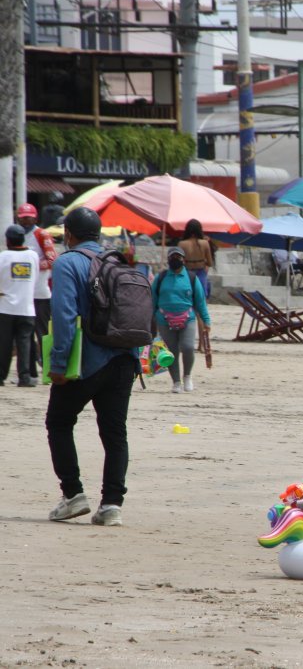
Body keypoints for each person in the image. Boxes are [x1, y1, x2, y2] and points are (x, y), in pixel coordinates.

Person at [45, 207, 141, 527]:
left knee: (59, 422)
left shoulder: (67, 263)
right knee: (115, 433)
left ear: (69, 235)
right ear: (98, 234)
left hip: (87, 360)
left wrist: (58, 363)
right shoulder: (119, 261)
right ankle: (112, 505)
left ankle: (73, 495)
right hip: (125, 358)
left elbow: (64, 317)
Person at [151, 247, 211, 393]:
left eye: (178, 257)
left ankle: (187, 376)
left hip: (187, 318)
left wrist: (206, 320)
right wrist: (148, 320)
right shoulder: (161, 278)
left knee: (188, 347)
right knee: (171, 353)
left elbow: (200, 301)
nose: (175, 259)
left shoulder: (191, 278)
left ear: (183, 260)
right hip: (164, 320)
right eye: (172, 257)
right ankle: (176, 382)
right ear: (168, 259)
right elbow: (152, 301)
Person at [17, 202, 57, 377]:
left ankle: (48, 365)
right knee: (25, 334)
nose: (26, 221)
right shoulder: (16, 235)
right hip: (23, 293)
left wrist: (29, 265)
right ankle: (31, 370)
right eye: (23, 218)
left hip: (40, 292)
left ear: (35, 217)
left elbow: (52, 260)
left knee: (43, 332)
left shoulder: (41, 234)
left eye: (29, 218)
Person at [0, 224, 40, 387]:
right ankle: (24, 377)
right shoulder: (33, 256)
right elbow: (36, 278)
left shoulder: (3, 256)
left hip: (6, 307)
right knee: (25, 343)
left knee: (4, 344)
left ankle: (1, 375)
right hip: (27, 307)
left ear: (8, 240)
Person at [177, 219, 215, 299]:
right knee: (201, 296)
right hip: (200, 271)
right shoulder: (205, 243)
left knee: (187, 296)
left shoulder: (181, 244)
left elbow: (179, 262)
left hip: (187, 272)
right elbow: (210, 263)